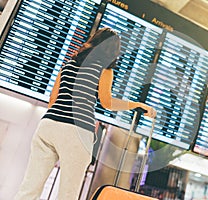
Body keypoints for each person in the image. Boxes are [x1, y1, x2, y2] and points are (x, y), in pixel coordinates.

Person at [14, 27, 156, 200]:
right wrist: (136, 105)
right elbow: (107, 103)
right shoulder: (104, 70)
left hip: (48, 126)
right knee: (68, 194)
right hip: (76, 131)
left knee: (29, 189)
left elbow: (53, 100)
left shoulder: (68, 64)